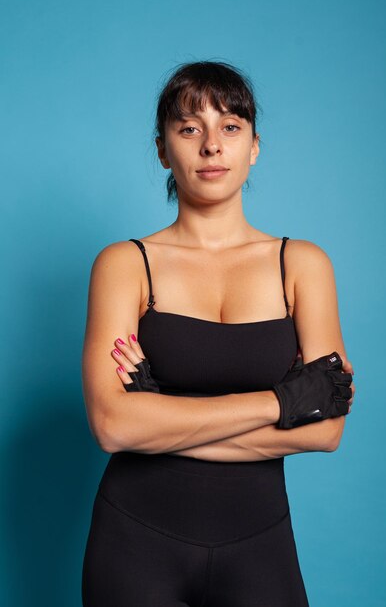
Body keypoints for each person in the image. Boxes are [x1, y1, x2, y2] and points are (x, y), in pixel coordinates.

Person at [81, 60, 355, 607]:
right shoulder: (125, 264)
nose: (211, 145)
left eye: (230, 127)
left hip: (262, 544)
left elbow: (325, 430)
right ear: (163, 150)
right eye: (189, 128)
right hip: (134, 540)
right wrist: (284, 401)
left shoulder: (302, 265)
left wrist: (161, 420)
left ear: (254, 146)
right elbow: (113, 427)